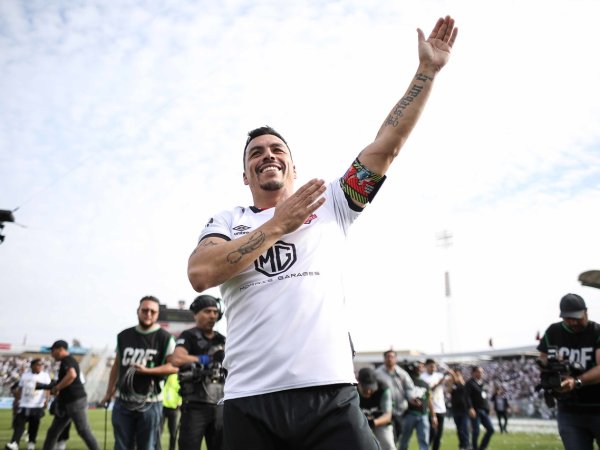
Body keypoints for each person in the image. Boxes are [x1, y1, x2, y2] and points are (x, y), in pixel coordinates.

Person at [187, 16, 458, 450]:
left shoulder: (332, 201)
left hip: (329, 394)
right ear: (245, 174)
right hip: (249, 401)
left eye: (277, 149)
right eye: (256, 153)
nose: (267, 155)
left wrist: (426, 72)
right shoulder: (226, 221)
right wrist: (278, 224)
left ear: (293, 167)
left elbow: (386, 146)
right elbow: (201, 273)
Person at [100, 295, 177, 450]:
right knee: (121, 446)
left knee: (147, 447)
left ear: (157, 314)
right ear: (138, 311)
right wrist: (109, 392)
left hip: (151, 402)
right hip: (123, 401)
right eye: (145, 310)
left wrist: (147, 371)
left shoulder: (165, 338)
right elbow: (116, 365)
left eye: (153, 311)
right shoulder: (124, 335)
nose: (148, 314)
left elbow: (174, 367)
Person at [537, 293, 600, 449]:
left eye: (577, 317)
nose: (573, 322)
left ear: (586, 312)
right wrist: (549, 364)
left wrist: (577, 381)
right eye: (568, 318)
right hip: (569, 411)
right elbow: (542, 359)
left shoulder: (596, 331)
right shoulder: (553, 331)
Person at [171, 295, 226, 450]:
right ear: (196, 314)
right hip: (195, 405)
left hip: (220, 404)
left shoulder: (222, 339)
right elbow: (177, 359)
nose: (212, 316)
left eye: (215, 312)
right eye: (207, 311)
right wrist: (207, 359)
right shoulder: (188, 336)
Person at [41, 341, 100, 450]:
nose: (52, 354)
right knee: (53, 431)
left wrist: (57, 388)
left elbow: (72, 375)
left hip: (75, 401)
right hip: (66, 402)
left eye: (53, 350)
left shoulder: (67, 360)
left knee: (83, 430)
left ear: (61, 349)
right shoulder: (67, 361)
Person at [5, 359, 51, 450]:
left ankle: (31, 443)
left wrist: (46, 400)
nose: (40, 367)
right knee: (19, 424)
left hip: (37, 405)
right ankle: (14, 443)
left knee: (34, 426)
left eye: (41, 365)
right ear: (32, 366)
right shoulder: (25, 375)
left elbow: (47, 389)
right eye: (38, 365)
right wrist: (17, 400)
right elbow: (20, 388)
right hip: (24, 404)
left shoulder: (45, 376)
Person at [375, 350, 415, 446]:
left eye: (392, 357)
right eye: (387, 357)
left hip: (400, 411)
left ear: (396, 359)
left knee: (398, 434)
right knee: (389, 438)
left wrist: (411, 398)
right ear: (384, 359)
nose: (390, 359)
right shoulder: (377, 373)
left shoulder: (402, 373)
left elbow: (409, 388)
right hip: (384, 411)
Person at [399, 361, 436, 450]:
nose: (420, 368)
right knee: (404, 439)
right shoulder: (407, 382)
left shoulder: (425, 384)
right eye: (418, 367)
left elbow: (429, 400)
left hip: (423, 415)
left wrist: (433, 416)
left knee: (424, 440)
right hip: (409, 414)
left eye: (421, 367)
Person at [356, 367, 396, 450]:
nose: (368, 391)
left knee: (389, 446)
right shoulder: (352, 390)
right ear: (358, 382)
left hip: (380, 421)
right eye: (365, 387)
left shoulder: (383, 389)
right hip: (359, 423)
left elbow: (387, 416)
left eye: (371, 387)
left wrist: (372, 423)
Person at [420, 359, 448, 450]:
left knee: (438, 435)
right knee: (431, 433)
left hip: (441, 408)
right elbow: (427, 392)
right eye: (431, 366)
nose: (433, 368)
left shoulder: (439, 375)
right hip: (430, 409)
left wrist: (451, 373)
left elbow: (452, 383)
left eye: (434, 366)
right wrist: (438, 383)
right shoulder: (422, 377)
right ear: (426, 366)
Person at [465, 366, 494, 450]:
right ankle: (474, 448)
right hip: (475, 409)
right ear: (474, 373)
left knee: (490, 429)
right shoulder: (470, 383)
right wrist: (470, 408)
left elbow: (485, 397)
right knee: (476, 431)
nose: (481, 374)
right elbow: (467, 397)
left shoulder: (483, 383)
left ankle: (482, 447)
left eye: (482, 372)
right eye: (479, 372)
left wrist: (488, 407)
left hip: (484, 410)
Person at [447, 368, 472, 450]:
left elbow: (462, 384)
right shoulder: (453, 384)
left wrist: (453, 375)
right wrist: (451, 380)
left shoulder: (463, 383)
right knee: (459, 429)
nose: (455, 376)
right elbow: (449, 391)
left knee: (464, 428)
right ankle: (462, 446)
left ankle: (467, 445)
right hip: (455, 410)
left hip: (464, 410)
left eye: (458, 375)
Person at [161, 373, 182, 450]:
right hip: (163, 406)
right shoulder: (165, 375)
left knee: (173, 432)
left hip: (174, 408)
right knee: (158, 431)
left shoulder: (177, 376)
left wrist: (179, 403)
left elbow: (181, 390)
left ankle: (172, 448)